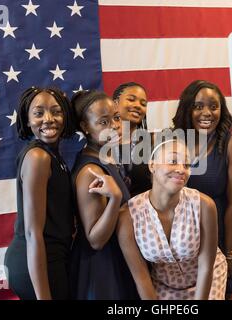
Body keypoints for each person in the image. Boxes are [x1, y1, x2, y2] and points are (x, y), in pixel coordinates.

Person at [173, 80, 232, 296]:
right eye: (198, 106)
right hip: (182, 236)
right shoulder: (173, 141)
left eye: (214, 106)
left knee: (218, 293)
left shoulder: (229, 143)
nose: (207, 113)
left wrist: (230, 251)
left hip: (220, 233)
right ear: (188, 109)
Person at [117, 138, 227, 300]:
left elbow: (206, 267)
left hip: (208, 280)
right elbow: (141, 277)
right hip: (164, 286)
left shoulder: (204, 205)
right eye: (173, 161)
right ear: (152, 165)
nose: (181, 170)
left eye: (187, 165)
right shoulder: (129, 215)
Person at [4, 86, 76, 300]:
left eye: (56, 111)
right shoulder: (38, 157)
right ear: (27, 120)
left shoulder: (53, 156)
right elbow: (32, 234)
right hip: (36, 262)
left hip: (52, 256)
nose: (48, 119)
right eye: (38, 113)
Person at [69, 90, 139, 300]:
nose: (115, 127)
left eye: (116, 118)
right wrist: (115, 198)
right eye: (103, 122)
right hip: (102, 270)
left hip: (117, 259)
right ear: (85, 127)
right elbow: (95, 239)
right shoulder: (91, 171)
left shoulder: (105, 158)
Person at [113, 82, 151, 197]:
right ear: (115, 103)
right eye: (131, 99)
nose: (138, 105)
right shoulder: (101, 142)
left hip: (144, 211)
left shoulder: (152, 143)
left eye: (143, 103)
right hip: (112, 212)